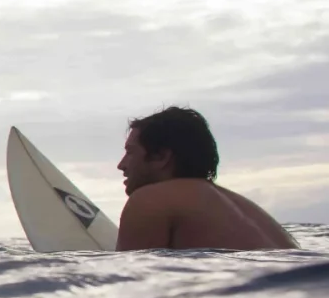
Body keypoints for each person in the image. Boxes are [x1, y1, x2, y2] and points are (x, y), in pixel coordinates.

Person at [114, 106, 297, 251]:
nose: (121, 165)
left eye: (130, 152)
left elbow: (131, 288)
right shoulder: (252, 213)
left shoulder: (150, 200)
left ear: (161, 157)